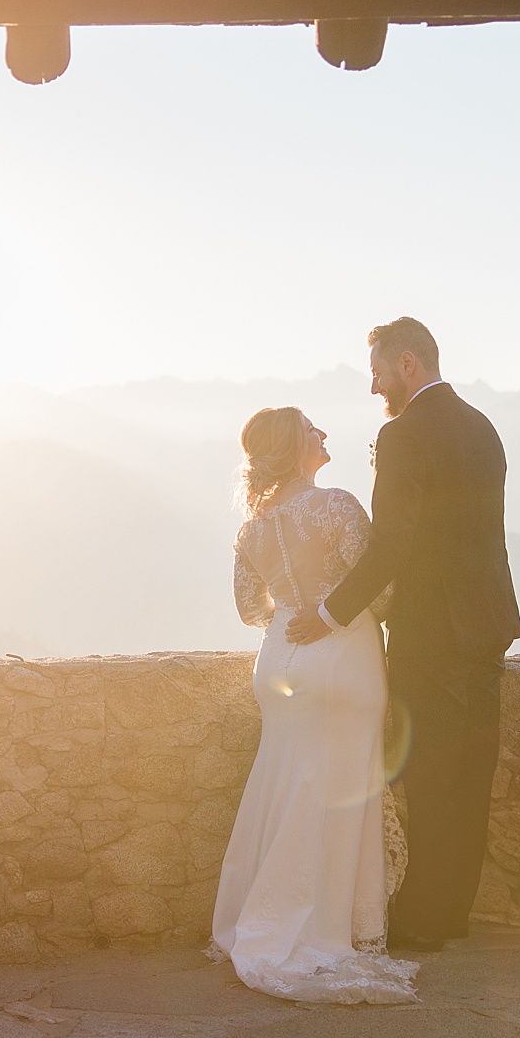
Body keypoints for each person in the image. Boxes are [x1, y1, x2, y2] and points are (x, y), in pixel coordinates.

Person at [286, 317, 520, 951]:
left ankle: (421, 921)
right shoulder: (483, 427)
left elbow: (393, 545)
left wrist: (331, 613)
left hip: (433, 630)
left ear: (408, 364)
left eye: (379, 374)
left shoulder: (403, 435)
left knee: (429, 774)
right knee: (472, 773)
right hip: (487, 625)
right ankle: (452, 914)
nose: (374, 388)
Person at [210, 406, 417, 1003]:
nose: (323, 433)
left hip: (278, 664)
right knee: (341, 787)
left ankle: (269, 914)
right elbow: (380, 591)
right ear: (292, 446)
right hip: (342, 654)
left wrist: (292, 604)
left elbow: (251, 610)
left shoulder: (251, 529)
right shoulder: (337, 506)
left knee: (283, 783)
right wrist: (330, 610)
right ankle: (329, 926)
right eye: (311, 428)